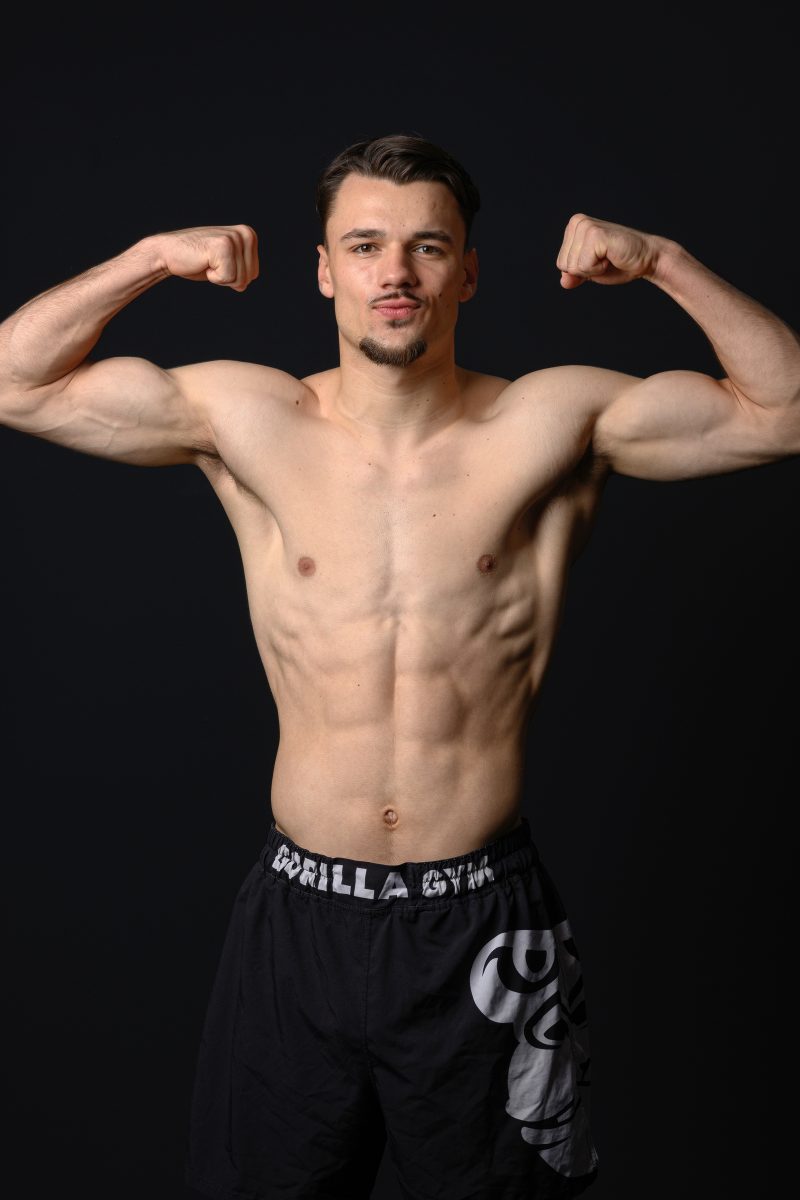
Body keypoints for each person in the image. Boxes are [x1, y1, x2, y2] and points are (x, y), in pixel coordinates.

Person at [1, 133, 798, 1199]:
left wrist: (660, 260)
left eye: (427, 247)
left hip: (483, 924)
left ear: (466, 272)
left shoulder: (548, 420)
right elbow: (14, 380)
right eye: (365, 246)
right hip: (298, 923)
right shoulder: (249, 417)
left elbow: (781, 409)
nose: (395, 274)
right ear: (324, 269)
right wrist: (149, 256)